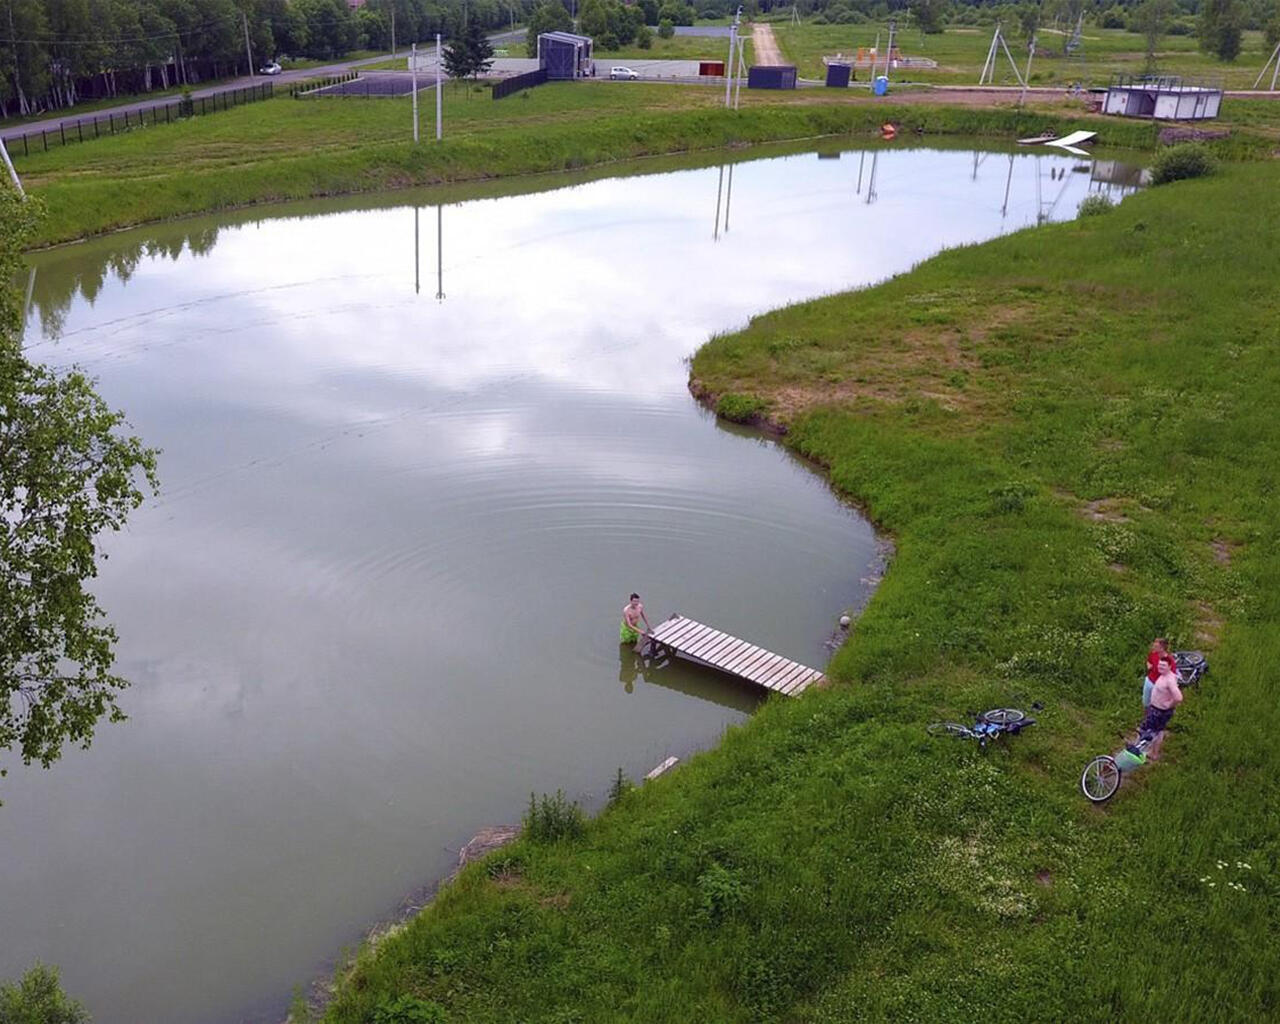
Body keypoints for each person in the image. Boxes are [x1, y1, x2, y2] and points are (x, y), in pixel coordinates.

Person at [1139, 661, 1183, 762]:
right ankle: (1154, 753)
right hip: (1156, 709)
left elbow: (1179, 697)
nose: (1160, 667)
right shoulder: (1164, 675)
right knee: (1158, 731)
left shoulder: (1169, 680)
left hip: (1159, 711)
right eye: (1159, 664)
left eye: (1163, 665)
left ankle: (1143, 752)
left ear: (1170, 666)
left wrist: (1169, 704)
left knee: (1148, 731)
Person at [1143, 638, 1178, 710]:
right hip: (1150, 681)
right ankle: (1146, 716)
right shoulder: (1153, 654)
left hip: (1159, 686)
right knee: (1146, 702)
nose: (1153, 648)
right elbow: (1149, 661)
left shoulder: (1169, 660)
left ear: (1162, 648)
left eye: (1156, 646)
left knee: (1156, 705)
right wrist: (1149, 666)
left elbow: (1173, 675)